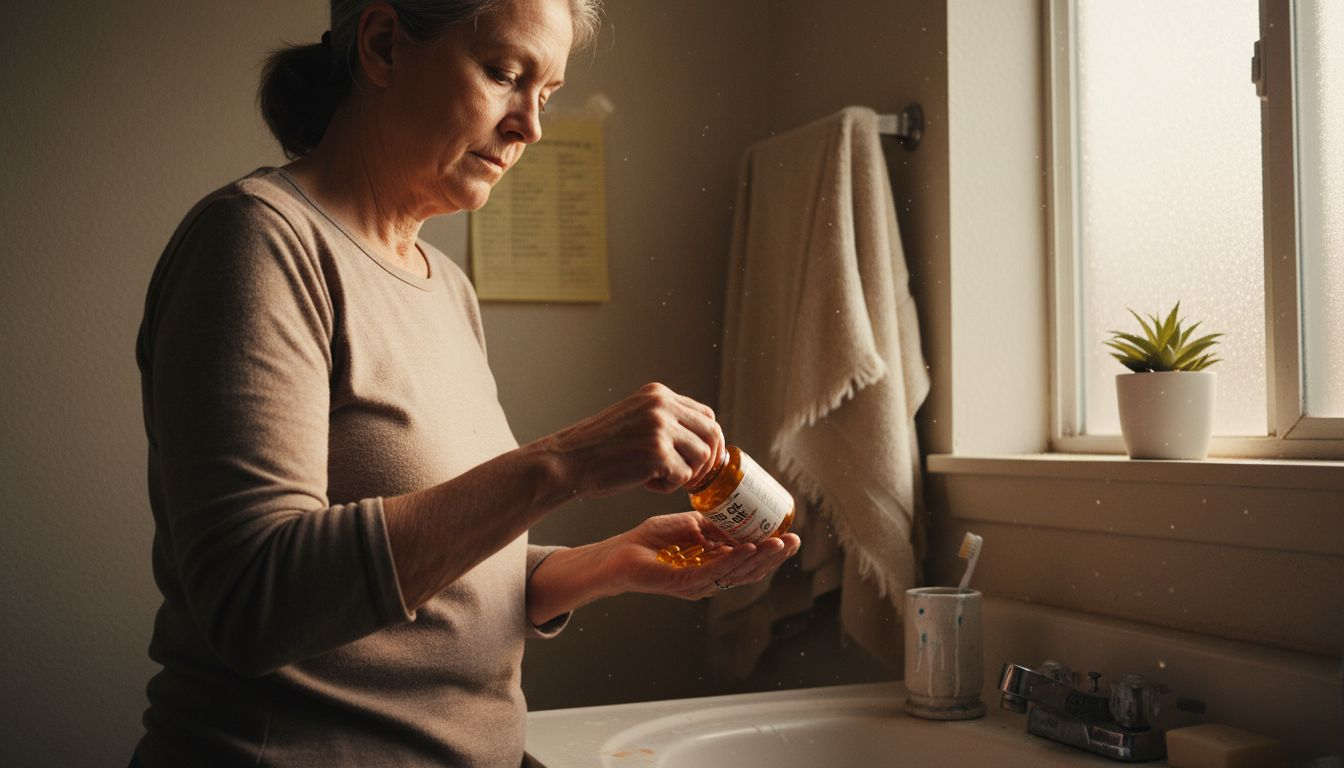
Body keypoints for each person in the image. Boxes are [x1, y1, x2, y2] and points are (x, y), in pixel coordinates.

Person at [130, 1, 801, 766]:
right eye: (505, 74)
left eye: (545, 94)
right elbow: (254, 600)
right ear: (383, 46)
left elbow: (436, 580)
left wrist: (605, 564)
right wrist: (565, 464)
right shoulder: (258, 244)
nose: (530, 127)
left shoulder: (445, 287)